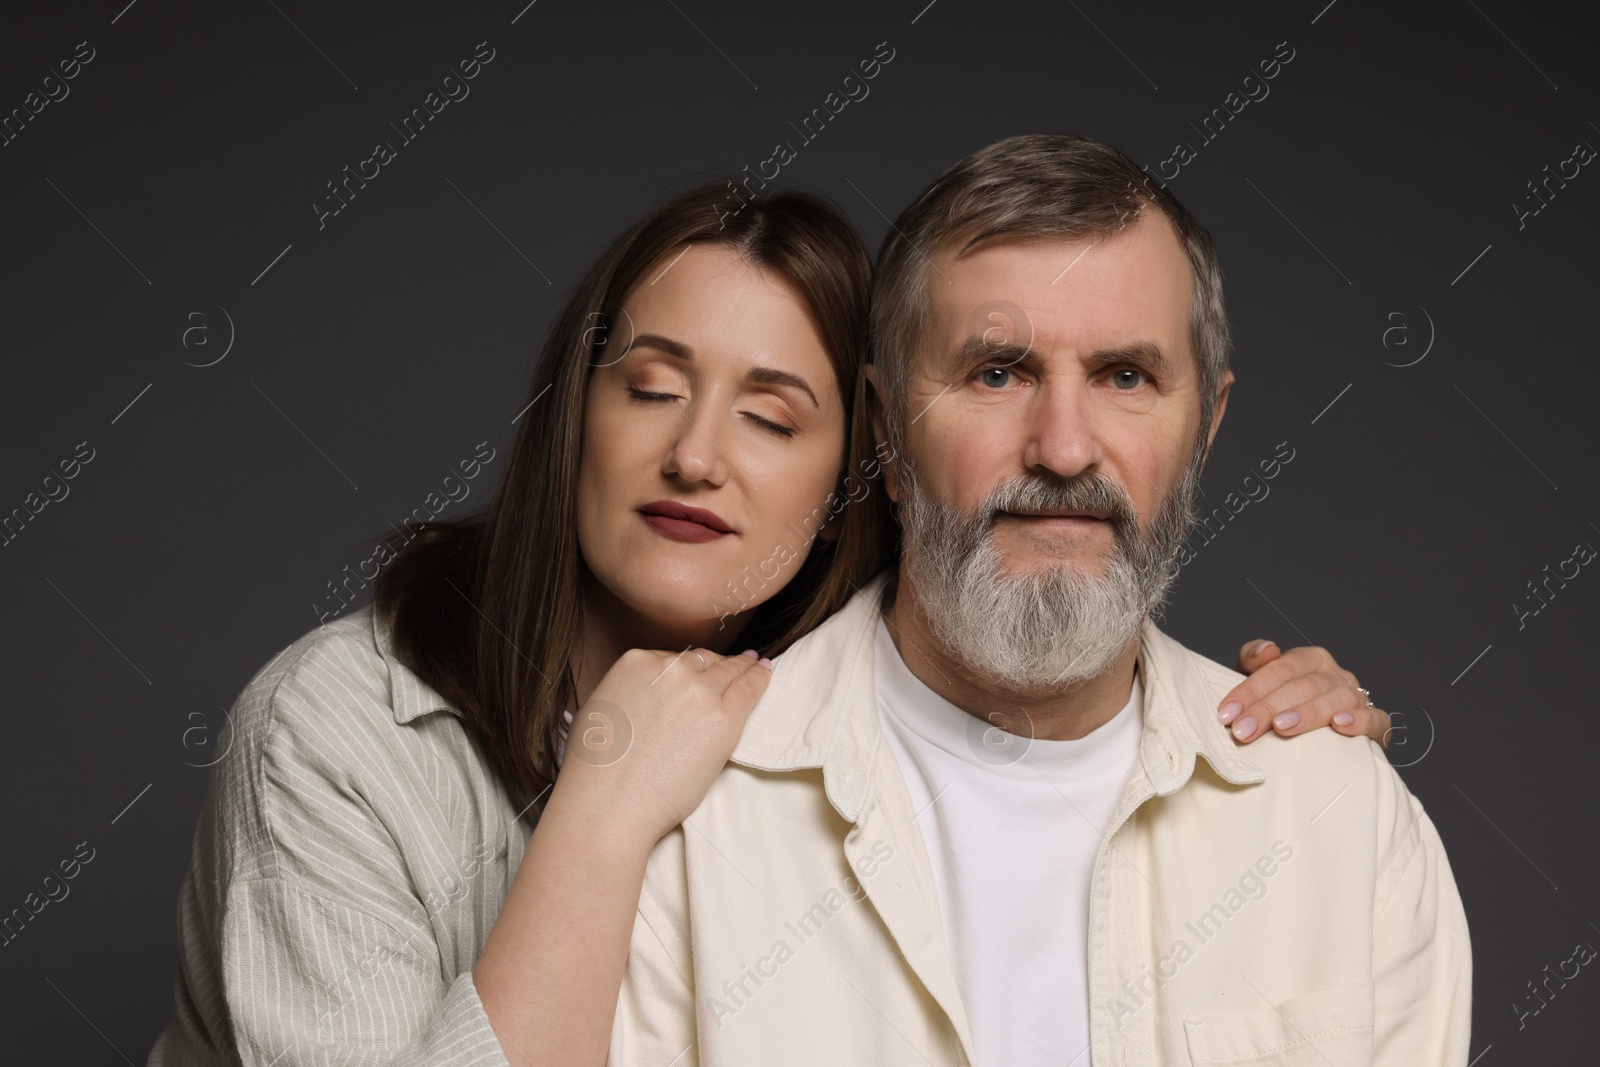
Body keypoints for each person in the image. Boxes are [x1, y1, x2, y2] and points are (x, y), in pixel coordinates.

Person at [145, 178, 1392, 1067]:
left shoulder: (827, 734)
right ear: (569, 412)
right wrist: (606, 798)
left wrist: (1263, 719)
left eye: (772, 415)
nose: (694, 455)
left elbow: (1055, 584)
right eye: (650, 389)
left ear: (870, 460)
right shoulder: (335, 729)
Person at [602, 136, 1472, 1067]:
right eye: (997, 373)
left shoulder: (1342, 818)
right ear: (889, 426)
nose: (1062, 449)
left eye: (1125, 377)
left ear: (1206, 430)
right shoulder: (686, 813)